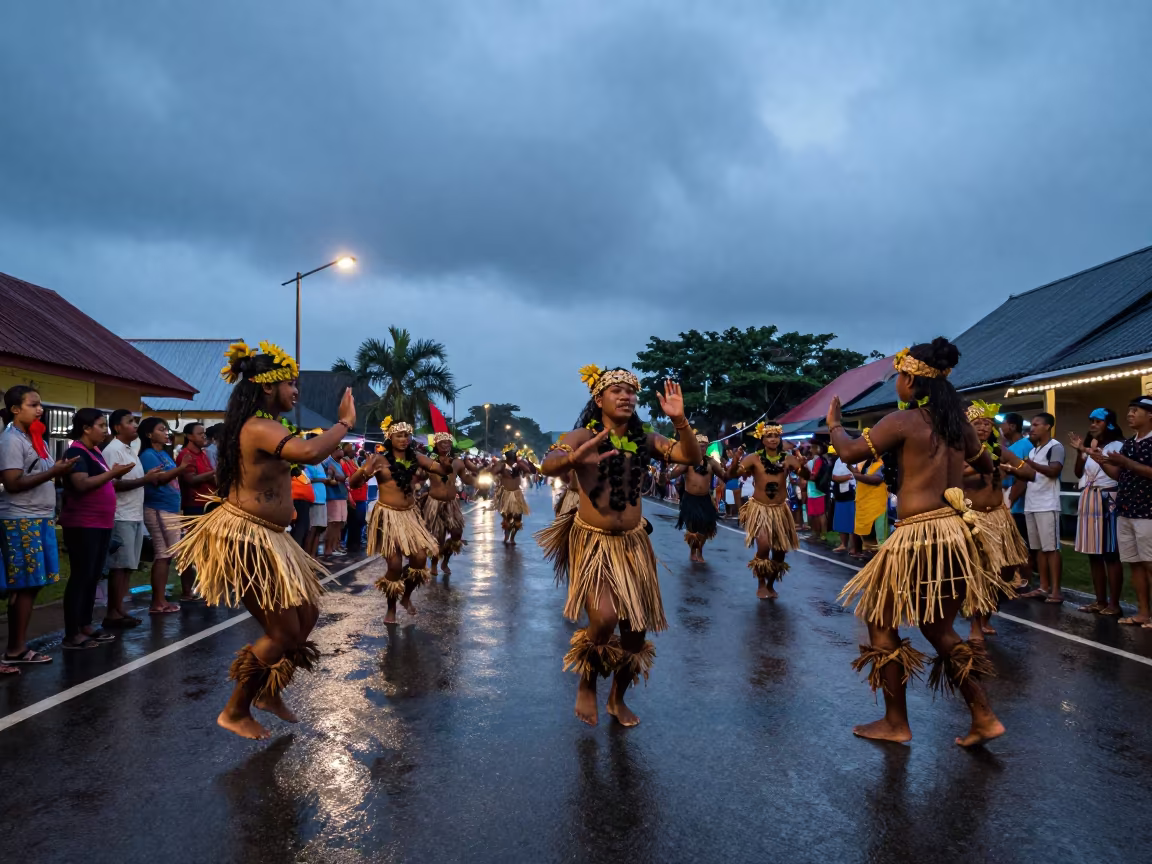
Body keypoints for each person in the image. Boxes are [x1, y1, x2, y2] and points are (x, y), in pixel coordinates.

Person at [830, 339, 1006, 748]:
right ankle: (984, 715)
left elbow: (851, 451)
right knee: (938, 627)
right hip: (955, 532)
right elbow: (985, 463)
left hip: (920, 535)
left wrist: (835, 422)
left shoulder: (903, 421)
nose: (897, 384)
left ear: (910, 379)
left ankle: (896, 722)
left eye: (898, 377)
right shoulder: (958, 425)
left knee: (879, 619)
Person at [173, 340, 352, 739]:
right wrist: (343, 424)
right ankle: (235, 710)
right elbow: (307, 453)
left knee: (307, 617)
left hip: (272, 536)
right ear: (268, 386)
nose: (295, 392)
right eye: (291, 384)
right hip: (247, 538)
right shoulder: (258, 426)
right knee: (284, 633)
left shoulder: (268, 426)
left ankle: (269, 693)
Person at [538, 364, 700, 727]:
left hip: (633, 544)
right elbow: (548, 464)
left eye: (631, 390)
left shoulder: (646, 439)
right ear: (599, 398)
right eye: (617, 390)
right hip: (594, 543)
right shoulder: (581, 436)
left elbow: (691, 457)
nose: (626, 395)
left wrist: (681, 421)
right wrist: (573, 459)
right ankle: (587, 681)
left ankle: (616, 698)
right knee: (605, 618)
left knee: (635, 634)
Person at [0, 386, 77, 668]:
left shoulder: (34, 439)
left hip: (39, 517)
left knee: (33, 584)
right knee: (23, 584)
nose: (40, 409)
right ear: (16, 409)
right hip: (21, 519)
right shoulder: (11, 440)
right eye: (34, 405)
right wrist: (53, 472)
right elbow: (12, 483)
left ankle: (18, 647)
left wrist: (56, 469)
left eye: (40, 405)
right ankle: (15, 648)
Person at [350, 418, 449, 621]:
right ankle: (391, 609)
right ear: (390, 437)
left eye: (407, 435)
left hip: (410, 515)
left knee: (420, 560)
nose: (404, 439)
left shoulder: (418, 458)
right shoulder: (378, 460)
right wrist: (363, 472)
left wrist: (444, 464)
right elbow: (353, 483)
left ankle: (406, 596)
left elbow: (440, 470)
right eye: (399, 435)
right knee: (394, 566)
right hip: (387, 516)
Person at [58, 409, 134, 649]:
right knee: (81, 576)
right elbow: (81, 484)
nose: (105, 430)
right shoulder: (76, 452)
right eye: (101, 425)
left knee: (93, 576)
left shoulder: (95, 452)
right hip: (83, 523)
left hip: (101, 522)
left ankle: (85, 624)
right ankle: (72, 632)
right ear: (86, 428)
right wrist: (113, 473)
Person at [962, 401, 1030, 642]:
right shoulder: (961, 449)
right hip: (973, 518)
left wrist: (1011, 469)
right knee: (979, 573)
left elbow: (1029, 472)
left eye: (988, 423)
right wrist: (983, 466)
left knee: (1005, 571)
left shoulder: (1000, 450)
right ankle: (974, 626)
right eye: (977, 423)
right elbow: (954, 474)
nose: (983, 427)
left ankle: (986, 616)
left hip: (1000, 517)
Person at [102, 410, 176, 629]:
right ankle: (113, 612)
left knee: (127, 567)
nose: (135, 425)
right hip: (121, 514)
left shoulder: (130, 450)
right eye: (130, 422)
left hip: (133, 513)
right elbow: (113, 484)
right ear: (117, 427)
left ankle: (119, 610)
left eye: (135, 422)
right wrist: (147, 479)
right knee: (119, 566)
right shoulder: (113, 450)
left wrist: (146, 478)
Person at [1090, 395, 1152, 627]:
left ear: (1150, 415)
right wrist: (1102, 462)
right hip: (1126, 508)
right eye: (1129, 410)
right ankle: (1143, 612)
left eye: (1136, 410)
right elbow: (1120, 475)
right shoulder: (1129, 443)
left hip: (1147, 510)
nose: (1130, 414)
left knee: (1150, 562)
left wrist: (1126, 463)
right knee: (1134, 562)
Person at [1001, 412, 1065, 603]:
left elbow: (1054, 470)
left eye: (1037, 425)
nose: (1032, 428)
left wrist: (1030, 464)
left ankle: (1056, 590)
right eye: (1032, 425)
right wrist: (1013, 470)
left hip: (1047, 504)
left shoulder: (1056, 447)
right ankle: (1043, 587)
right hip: (1031, 504)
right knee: (1037, 549)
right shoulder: (1034, 451)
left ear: (1047, 426)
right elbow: (1028, 475)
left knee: (1051, 548)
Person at [734, 423, 802, 599]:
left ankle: (771, 585)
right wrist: (735, 460)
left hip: (780, 510)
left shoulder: (788, 458)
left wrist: (803, 465)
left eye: (776, 436)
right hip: (760, 509)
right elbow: (731, 475)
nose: (773, 439)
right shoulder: (753, 458)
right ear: (762, 440)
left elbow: (809, 477)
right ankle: (761, 585)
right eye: (769, 436)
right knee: (763, 546)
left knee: (780, 552)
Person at [1068, 408, 1125, 616]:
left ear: (1108, 423)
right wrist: (1080, 452)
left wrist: (1093, 453)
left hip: (1108, 497)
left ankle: (1114, 603)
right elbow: (1077, 473)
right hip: (1089, 497)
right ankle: (1099, 601)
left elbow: (1118, 474)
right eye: (1091, 420)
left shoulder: (1117, 445)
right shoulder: (1091, 445)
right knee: (1093, 553)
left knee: (1110, 552)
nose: (1092, 424)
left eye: (1097, 421)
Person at [137, 417, 193, 614]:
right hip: (157, 508)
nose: (166, 432)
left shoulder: (164, 454)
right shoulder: (148, 455)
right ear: (149, 434)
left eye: (166, 429)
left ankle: (161, 600)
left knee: (167, 555)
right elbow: (158, 480)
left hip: (169, 509)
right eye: (161, 429)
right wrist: (181, 468)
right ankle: (158, 602)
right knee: (163, 553)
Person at [424, 432, 478, 577]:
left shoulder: (457, 462)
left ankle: (445, 562)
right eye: (442, 442)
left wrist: (476, 476)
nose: (446, 444)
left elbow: (466, 479)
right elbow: (418, 477)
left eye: (448, 442)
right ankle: (434, 564)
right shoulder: (429, 462)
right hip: (434, 503)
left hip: (451, 503)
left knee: (456, 534)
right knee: (438, 537)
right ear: (435, 444)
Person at [669, 434, 726, 563]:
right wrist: (665, 470)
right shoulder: (688, 462)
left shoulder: (711, 462)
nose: (702, 448)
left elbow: (724, 475)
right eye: (700, 446)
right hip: (690, 499)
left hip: (705, 499)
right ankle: (693, 551)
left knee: (704, 528)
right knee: (692, 528)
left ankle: (700, 551)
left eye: (704, 446)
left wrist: (732, 468)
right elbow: (673, 474)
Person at [176, 422, 217, 602]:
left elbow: (211, 477)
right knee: (192, 550)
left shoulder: (203, 455)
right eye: (200, 434)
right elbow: (190, 480)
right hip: (194, 506)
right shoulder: (185, 455)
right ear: (189, 436)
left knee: (207, 550)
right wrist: (214, 473)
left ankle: (204, 587)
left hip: (208, 505)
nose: (203, 437)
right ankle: (186, 591)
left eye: (204, 434)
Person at [999, 412, 1034, 591]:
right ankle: (1013, 575)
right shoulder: (1009, 446)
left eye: (1003, 424)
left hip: (1017, 501)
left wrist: (1012, 498)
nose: (1001, 428)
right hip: (1005, 495)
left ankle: (1025, 576)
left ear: (1012, 426)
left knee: (1020, 541)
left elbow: (1025, 476)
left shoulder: (1025, 445)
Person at [491, 444, 534, 545]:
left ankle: (512, 538)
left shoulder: (518, 464)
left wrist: (521, 464)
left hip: (517, 494)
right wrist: (497, 472)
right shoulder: (502, 465)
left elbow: (528, 470)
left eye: (513, 453)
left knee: (518, 519)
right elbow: (493, 472)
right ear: (506, 455)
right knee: (507, 517)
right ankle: (506, 536)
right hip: (506, 494)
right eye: (510, 453)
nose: (511, 455)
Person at [321, 446, 349, 561]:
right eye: (339, 449)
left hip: (341, 496)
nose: (342, 451)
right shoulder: (328, 462)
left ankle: (334, 547)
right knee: (333, 523)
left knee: (339, 523)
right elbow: (330, 478)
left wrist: (342, 478)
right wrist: (338, 479)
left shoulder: (339, 463)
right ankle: (328, 548)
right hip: (333, 497)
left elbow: (343, 478)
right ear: (333, 450)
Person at [830, 448, 857, 554]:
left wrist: (845, 477)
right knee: (840, 520)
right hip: (839, 494)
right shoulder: (838, 461)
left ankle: (853, 546)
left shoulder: (855, 460)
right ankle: (843, 544)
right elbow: (834, 477)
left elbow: (854, 475)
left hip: (851, 493)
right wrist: (845, 477)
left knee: (851, 521)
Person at [342, 443, 367, 556]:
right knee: (354, 522)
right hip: (353, 496)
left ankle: (356, 543)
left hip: (361, 496)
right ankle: (351, 544)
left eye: (354, 450)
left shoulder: (354, 461)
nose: (354, 452)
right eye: (351, 450)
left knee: (360, 521)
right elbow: (349, 479)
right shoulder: (344, 462)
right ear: (345, 451)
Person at [302, 455, 328, 559]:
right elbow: (306, 479)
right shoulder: (306, 465)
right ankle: (307, 556)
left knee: (319, 529)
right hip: (314, 500)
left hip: (322, 499)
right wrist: (321, 480)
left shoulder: (320, 465)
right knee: (311, 530)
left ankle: (313, 555)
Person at [289, 466, 313, 548]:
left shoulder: (297, 478)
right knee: (302, 527)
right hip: (301, 503)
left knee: (299, 528)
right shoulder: (304, 479)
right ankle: (298, 549)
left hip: (298, 503)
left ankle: (297, 549)